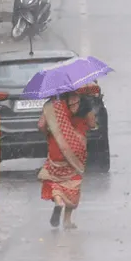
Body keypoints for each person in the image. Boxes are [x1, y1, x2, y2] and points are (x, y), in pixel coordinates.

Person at [37, 85, 98, 229]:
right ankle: (67, 220)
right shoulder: (84, 103)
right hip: (77, 149)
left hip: (56, 147)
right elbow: (92, 123)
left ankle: (58, 201)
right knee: (72, 181)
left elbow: (41, 125)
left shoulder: (52, 106)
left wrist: (50, 131)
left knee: (54, 177)